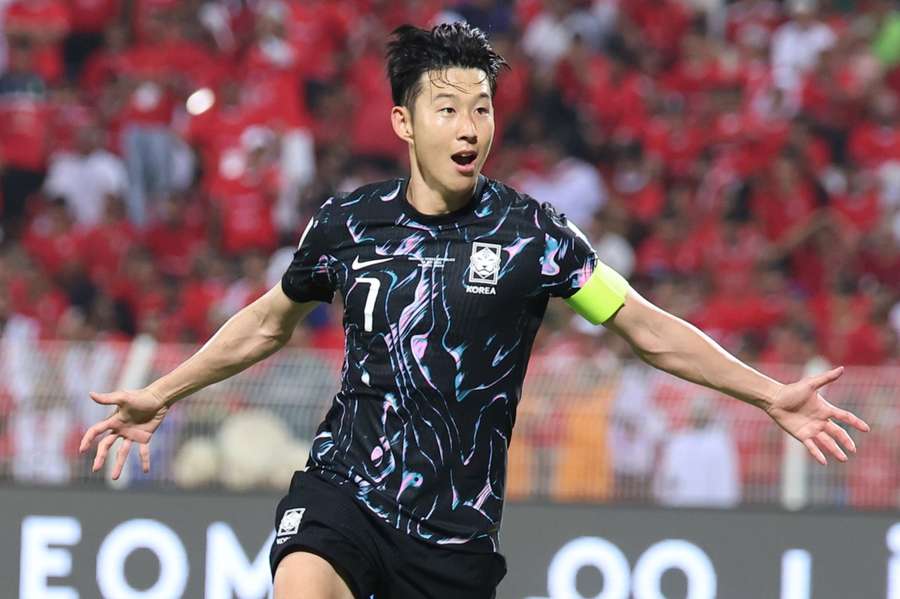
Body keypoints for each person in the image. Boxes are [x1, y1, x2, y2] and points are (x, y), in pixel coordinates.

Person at [79, 22, 870, 599]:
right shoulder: (347, 227)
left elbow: (642, 327)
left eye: (483, 108)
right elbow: (266, 321)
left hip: (454, 539)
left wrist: (769, 392)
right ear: (404, 123)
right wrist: (163, 391)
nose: (469, 127)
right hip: (344, 492)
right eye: (449, 108)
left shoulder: (537, 237)